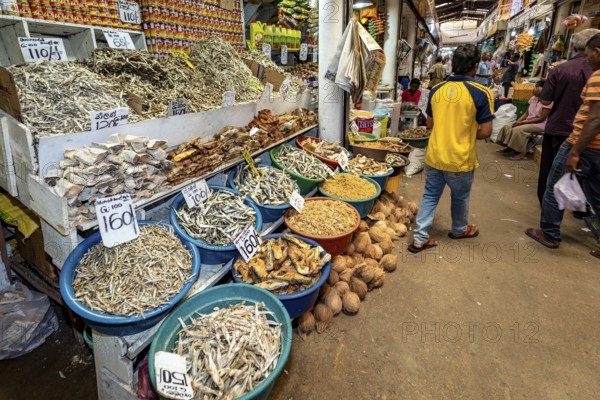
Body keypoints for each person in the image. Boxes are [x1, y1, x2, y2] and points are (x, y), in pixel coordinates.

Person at [408, 44, 494, 253]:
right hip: (460, 159)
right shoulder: (482, 92)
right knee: (460, 196)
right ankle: (458, 229)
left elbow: (429, 124)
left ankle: (419, 239)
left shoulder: (436, 90)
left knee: (430, 195)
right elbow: (486, 132)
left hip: (435, 156)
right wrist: (463, 131)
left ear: (453, 65)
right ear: (474, 67)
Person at [526, 33, 600, 258]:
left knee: (554, 186)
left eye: (588, 54)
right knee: (596, 193)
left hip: (577, 139)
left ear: (597, 52)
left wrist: (576, 150)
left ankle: (549, 233)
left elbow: (595, 118)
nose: (586, 59)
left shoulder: (575, 72)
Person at [536, 28, 600, 204]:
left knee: (551, 177)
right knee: (588, 179)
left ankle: (549, 224)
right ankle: (582, 210)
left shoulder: (560, 69)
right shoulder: (592, 72)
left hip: (562, 129)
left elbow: (545, 99)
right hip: (591, 138)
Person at [495, 80, 552, 160]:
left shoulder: (548, 101)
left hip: (540, 124)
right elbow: (526, 113)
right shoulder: (534, 98)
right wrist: (518, 121)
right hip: (529, 121)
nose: (534, 89)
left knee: (519, 130)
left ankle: (522, 154)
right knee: (507, 127)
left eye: (536, 87)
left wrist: (522, 123)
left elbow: (541, 118)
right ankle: (510, 148)